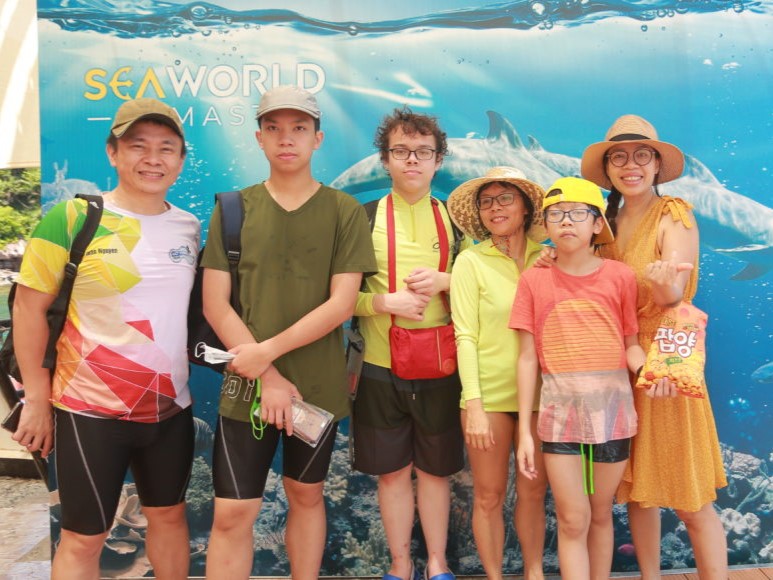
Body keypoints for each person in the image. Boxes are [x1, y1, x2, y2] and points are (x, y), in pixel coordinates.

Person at [12, 98, 199, 580]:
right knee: (83, 537)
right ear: (112, 152)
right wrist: (36, 400)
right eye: (138, 146)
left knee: (170, 518)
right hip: (88, 410)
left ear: (181, 160)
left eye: (166, 148)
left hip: (169, 409)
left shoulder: (189, 227)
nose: (153, 159)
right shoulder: (71, 218)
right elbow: (28, 310)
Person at [201, 85, 376, 580]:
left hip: (317, 388)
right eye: (274, 128)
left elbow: (342, 304)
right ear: (258, 138)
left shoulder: (344, 211)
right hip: (246, 387)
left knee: (306, 494)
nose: (286, 138)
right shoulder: (232, 209)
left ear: (317, 138)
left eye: (299, 128)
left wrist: (268, 355)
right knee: (233, 512)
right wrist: (267, 375)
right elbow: (215, 303)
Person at [581, 114, 728, 579]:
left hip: (664, 362)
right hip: (616, 363)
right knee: (638, 493)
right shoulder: (601, 222)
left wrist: (665, 285)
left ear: (657, 164)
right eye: (619, 157)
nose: (631, 165)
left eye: (641, 155)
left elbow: (675, 299)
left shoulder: (673, 213)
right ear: (607, 168)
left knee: (690, 496)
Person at [351, 107, 471, 580]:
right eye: (401, 151)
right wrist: (383, 302)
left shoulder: (459, 221)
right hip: (378, 368)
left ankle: (437, 563)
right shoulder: (360, 218)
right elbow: (336, 299)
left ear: (439, 160)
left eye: (424, 152)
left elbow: (486, 291)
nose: (412, 160)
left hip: (442, 367)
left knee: (437, 472)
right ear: (384, 159)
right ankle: (399, 565)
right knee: (392, 473)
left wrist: (448, 281)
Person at [512, 177, 647, 580]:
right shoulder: (533, 279)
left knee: (601, 513)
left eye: (576, 213)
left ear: (597, 224)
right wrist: (524, 432)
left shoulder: (621, 276)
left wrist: (654, 371)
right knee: (572, 519)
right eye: (555, 214)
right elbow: (526, 358)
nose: (566, 221)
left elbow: (631, 344)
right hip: (559, 418)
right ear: (545, 224)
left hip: (614, 415)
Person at [445, 166, 549, 580]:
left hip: (541, 398)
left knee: (534, 492)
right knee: (488, 496)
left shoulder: (549, 259)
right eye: (486, 202)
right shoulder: (470, 261)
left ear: (526, 208)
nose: (495, 208)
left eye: (505, 198)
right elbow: (465, 335)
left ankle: (535, 572)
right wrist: (473, 404)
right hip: (487, 397)